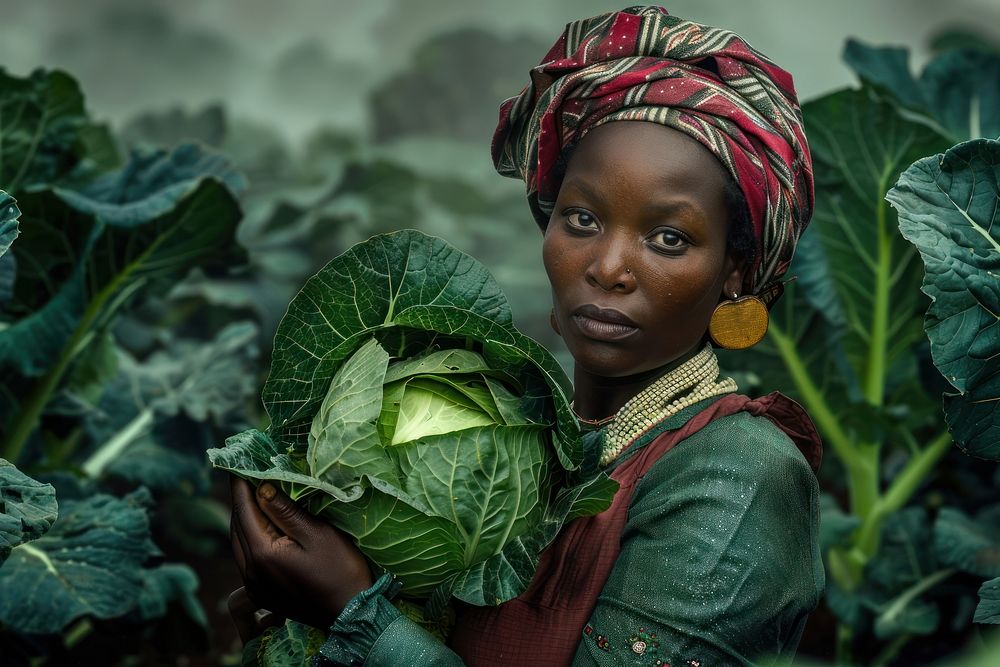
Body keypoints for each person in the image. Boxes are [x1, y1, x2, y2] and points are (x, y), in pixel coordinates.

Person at [228, 6, 825, 666]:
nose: (606, 266)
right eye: (582, 218)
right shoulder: (527, 443)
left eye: (668, 238)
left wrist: (355, 614)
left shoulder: (742, 473)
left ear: (736, 271)